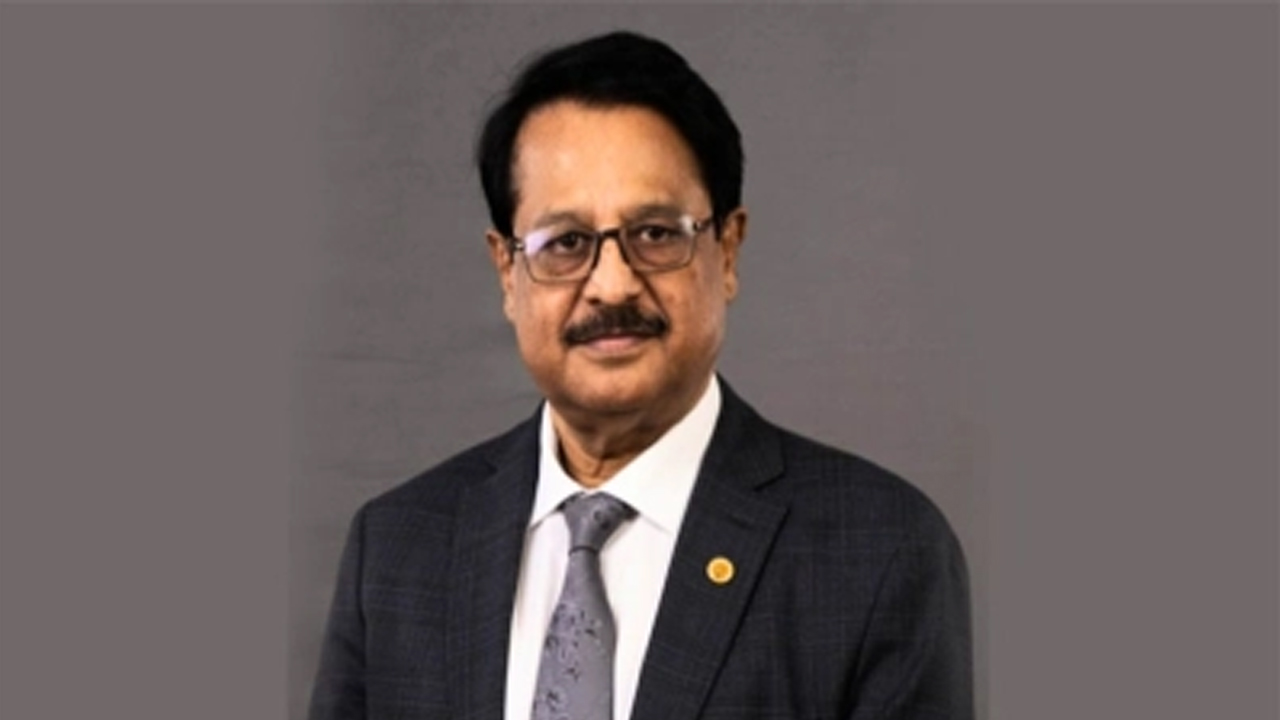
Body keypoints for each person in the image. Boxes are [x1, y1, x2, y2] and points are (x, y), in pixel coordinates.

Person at [308, 30, 972, 720]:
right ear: (508, 271)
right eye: (566, 243)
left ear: (728, 250)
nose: (613, 285)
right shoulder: (397, 551)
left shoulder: (877, 551)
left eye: (655, 233)